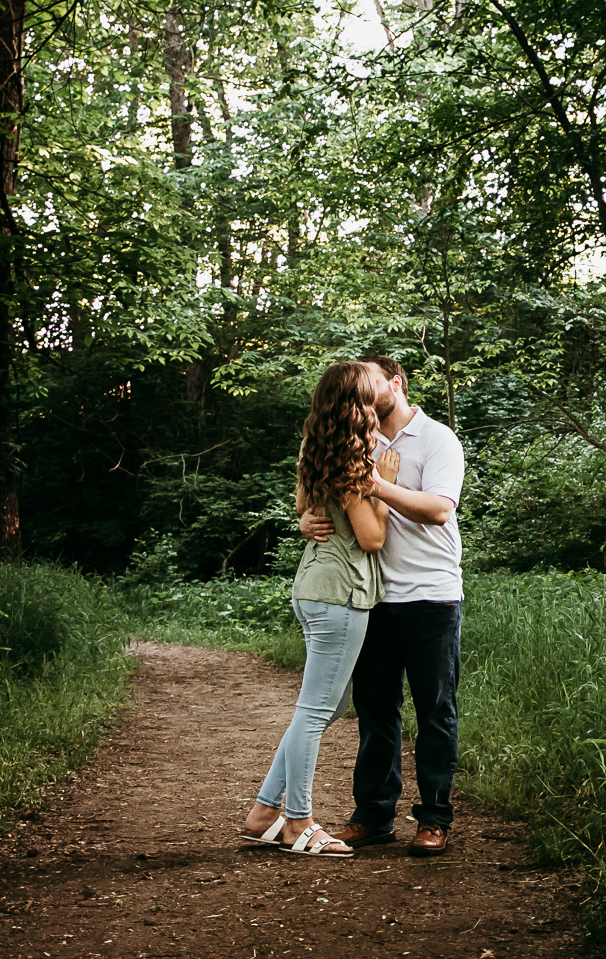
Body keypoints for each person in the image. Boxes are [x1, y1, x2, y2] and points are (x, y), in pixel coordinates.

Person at [300, 355, 466, 856]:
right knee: (376, 713)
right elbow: (324, 499)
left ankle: (434, 818)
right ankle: (373, 815)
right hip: (370, 596)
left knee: (435, 711)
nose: (365, 392)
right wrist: (305, 521)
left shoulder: (438, 439)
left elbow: (439, 509)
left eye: (373, 381)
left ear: (396, 383)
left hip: (430, 595)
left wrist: (375, 483)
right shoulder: (357, 438)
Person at [241, 361, 399, 858]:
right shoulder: (355, 460)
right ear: (357, 402)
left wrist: (313, 516)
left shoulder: (317, 446)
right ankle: (298, 822)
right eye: (371, 389)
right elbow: (372, 538)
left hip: (313, 586)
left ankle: (265, 811)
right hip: (339, 593)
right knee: (315, 713)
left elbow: (301, 504)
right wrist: (385, 489)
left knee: (321, 709)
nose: (381, 392)